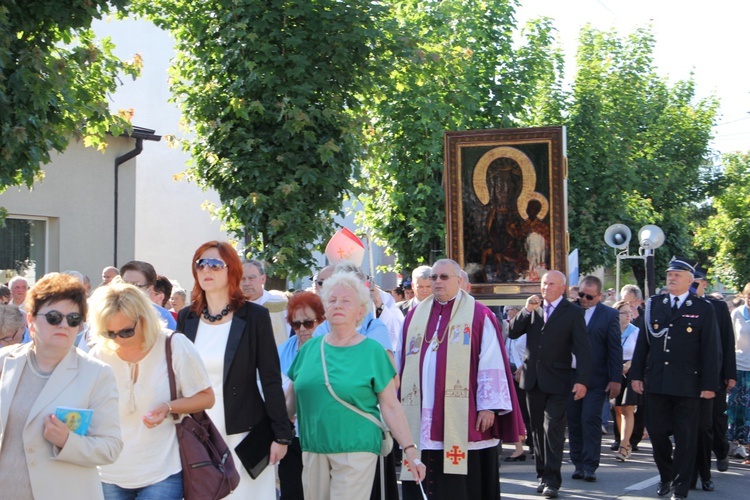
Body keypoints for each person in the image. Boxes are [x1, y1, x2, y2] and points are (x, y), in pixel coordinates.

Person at [286, 272, 426, 499]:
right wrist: (273, 435)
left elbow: (390, 406)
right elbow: (290, 401)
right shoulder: (309, 350)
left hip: (356, 448)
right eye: (332, 300)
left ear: (361, 311)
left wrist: (410, 449)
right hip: (313, 448)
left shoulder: (373, 352)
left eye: (346, 301)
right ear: (324, 308)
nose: (338, 305)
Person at [177, 241, 293, 498]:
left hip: (244, 433)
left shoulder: (254, 317)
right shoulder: (187, 317)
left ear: (231, 271)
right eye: (201, 264)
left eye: (216, 264)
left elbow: (271, 378)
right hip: (199, 432)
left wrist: (282, 435)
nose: (207, 269)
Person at [400, 259, 521, 500]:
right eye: (434, 277)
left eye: (444, 277)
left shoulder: (478, 315)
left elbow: (492, 361)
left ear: (459, 281)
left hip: (463, 413)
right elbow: (400, 362)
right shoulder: (415, 316)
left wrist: (488, 407)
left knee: (460, 483)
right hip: (421, 411)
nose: (437, 282)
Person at [0, 273, 122, 498]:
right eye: (54, 317)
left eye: (74, 318)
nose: (64, 324)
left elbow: (110, 447)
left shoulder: (97, 374)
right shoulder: (4, 361)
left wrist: (68, 441)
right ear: (31, 321)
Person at [88, 280, 215, 498]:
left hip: (162, 472)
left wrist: (168, 407)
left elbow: (206, 398)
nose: (118, 339)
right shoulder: (99, 353)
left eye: (126, 331)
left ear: (144, 319)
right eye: (110, 333)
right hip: (108, 473)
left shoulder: (174, 345)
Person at [630, 258, 719, 500]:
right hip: (657, 382)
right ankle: (666, 475)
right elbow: (643, 345)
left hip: (688, 384)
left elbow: (711, 349)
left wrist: (710, 385)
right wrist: (636, 374)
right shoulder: (654, 305)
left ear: (690, 281)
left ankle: (680, 488)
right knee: (657, 435)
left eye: (678, 275)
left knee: (685, 438)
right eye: (670, 274)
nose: (672, 277)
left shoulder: (702, 308)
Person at [509, 270, 592, 499]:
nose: (545, 288)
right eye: (544, 283)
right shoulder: (532, 309)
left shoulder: (573, 312)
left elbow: (583, 350)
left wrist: (583, 380)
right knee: (536, 431)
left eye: (551, 284)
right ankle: (542, 475)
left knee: (552, 429)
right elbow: (512, 332)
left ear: (562, 288)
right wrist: (526, 310)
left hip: (558, 380)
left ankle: (552, 480)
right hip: (533, 380)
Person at [566, 276, 622, 482]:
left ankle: (590, 465)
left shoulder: (609, 315)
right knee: (573, 421)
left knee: (590, 419)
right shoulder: (570, 310)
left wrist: (616, 378)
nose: (584, 299)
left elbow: (615, 348)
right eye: (581, 295)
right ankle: (578, 463)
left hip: (596, 378)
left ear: (599, 296)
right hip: (570, 376)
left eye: (589, 296)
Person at [690, 266, 736, 486]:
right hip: (686, 377)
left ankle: (719, 451)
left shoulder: (716, 307)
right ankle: (693, 472)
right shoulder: (675, 306)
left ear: (704, 284)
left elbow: (727, 342)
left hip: (713, 376)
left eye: (695, 283)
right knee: (690, 426)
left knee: (713, 423)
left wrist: (730, 373)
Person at [277, 291, 326, 500]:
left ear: (322, 321)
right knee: (292, 492)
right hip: (291, 437)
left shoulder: (329, 348)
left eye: (308, 323)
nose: (303, 329)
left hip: (321, 437)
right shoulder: (283, 350)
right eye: (296, 325)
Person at [611, 300, 640, 461]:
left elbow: (641, 352)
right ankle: (624, 440)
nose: (628, 315)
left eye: (630, 312)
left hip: (630, 370)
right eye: (624, 313)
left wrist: (631, 363)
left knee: (628, 407)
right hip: (615, 369)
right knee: (617, 409)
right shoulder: (612, 330)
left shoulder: (635, 331)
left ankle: (624, 444)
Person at [241, 259, 291, 345]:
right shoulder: (234, 307)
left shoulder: (280, 305)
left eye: (251, 278)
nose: (247, 283)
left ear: (263, 279)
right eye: (242, 279)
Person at [728, 282, 750, 464]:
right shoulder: (737, 314)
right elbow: (730, 341)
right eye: (748, 295)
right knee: (736, 409)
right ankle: (736, 444)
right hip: (739, 366)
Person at [120, 261, 177, 330]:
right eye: (124, 284)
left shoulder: (163, 317)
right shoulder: (109, 312)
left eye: (136, 285)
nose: (128, 289)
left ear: (149, 288)